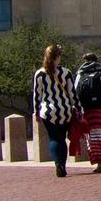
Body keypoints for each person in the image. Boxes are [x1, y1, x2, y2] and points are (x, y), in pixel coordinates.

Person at [33, 44, 77, 177]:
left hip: (48, 111)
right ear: (57, 57)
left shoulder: (40, 74)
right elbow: (72, 93)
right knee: (62, 139)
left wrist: (36, 112)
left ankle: (58, 164)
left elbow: (37, 95)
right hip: (65, 110)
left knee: (54, 138)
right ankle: (62, 165)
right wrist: (78, 108)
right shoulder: (66, 72)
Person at [74, 53, 101, 174]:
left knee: (92, 135)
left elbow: (75, 91)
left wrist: (78, 108)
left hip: (88, 109)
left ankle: (99, 160)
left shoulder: (81, 73)